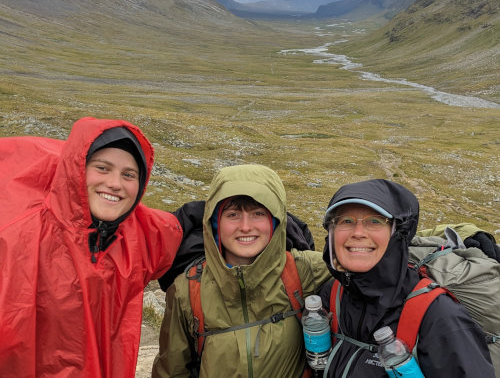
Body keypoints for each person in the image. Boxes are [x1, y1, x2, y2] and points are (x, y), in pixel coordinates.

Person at [0, 117, 183, 377]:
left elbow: (172, 230)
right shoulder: (19, 237)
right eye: (102, 168)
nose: (115, 184)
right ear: (77, 170)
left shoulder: (136, 234)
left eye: (129, 175)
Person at [152, 164, 331, 377]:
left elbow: (366, 277)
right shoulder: (188, 290)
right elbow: (171, 371)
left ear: (276, 221)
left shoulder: (307, 270)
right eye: (233, 214)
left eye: (258, 213)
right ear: (214, 223)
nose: (245, 226)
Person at [318, 178, 495, 377]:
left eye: (375, 221)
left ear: (398, 234)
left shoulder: (440, 317)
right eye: (346, 221)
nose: (358, 232)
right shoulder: (331, 293)